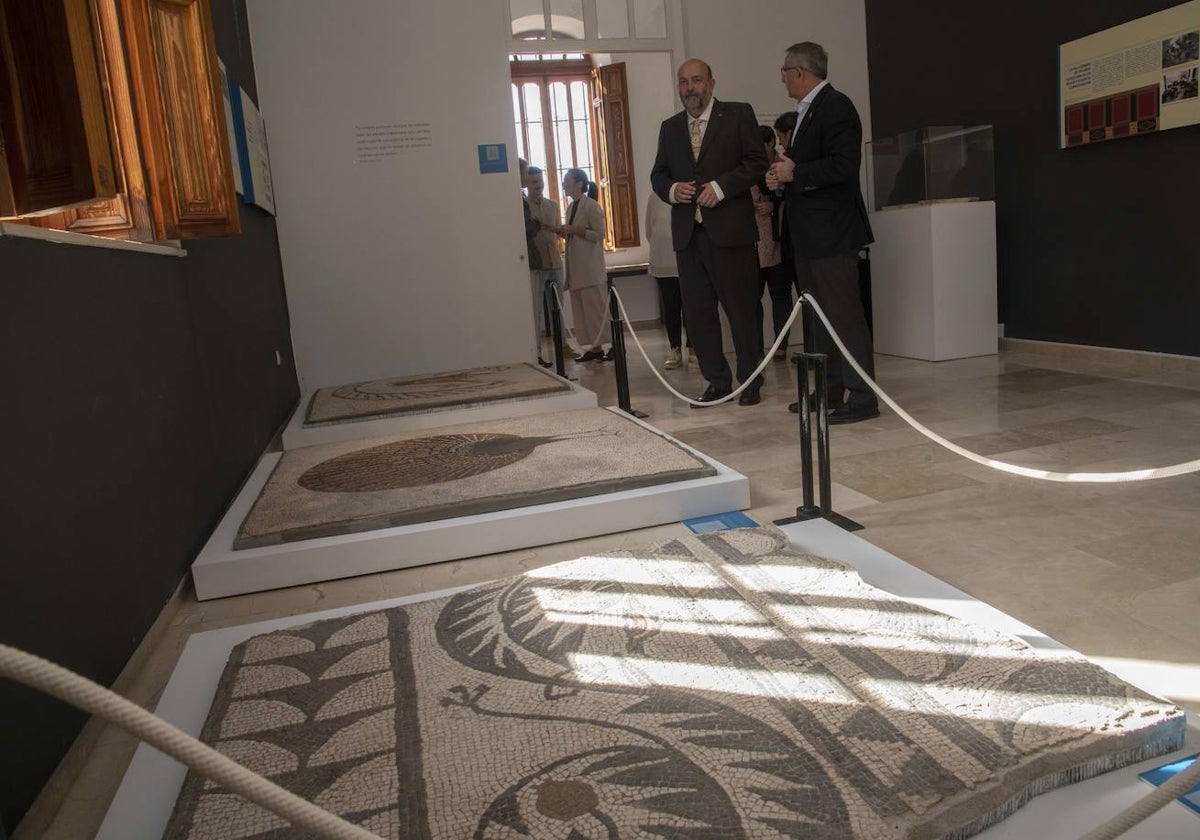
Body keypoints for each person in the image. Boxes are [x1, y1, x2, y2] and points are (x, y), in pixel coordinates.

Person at [767, 42, 879, 424]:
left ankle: (863, 398)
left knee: (844, 316)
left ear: (800, 72)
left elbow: (844, 166)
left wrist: (796, 173)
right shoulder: (808, 111)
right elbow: (812, 167)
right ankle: (830, 392)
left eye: (784, 71)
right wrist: (785, 177)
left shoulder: (837, 106)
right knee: (820, 320)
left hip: (831, 235)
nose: (782, 77)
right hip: (811, 237)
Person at [650, 59, 768, 407]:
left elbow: (756, 163)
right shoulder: (670, 128)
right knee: (699, 316)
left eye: (697, 80)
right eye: (683, 82)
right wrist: (672, 191)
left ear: (711, 84)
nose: (690, 88)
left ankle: (750, 381)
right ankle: (717, 381)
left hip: (731, 234)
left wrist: (721, 186)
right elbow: (658, 175)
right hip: (689, 238)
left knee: (742, 312)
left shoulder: (737, 115)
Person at [554, 169, 609, 362]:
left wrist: (574, 230)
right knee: (583, 312)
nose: (564, 184)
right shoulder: (570, 208)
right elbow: (574, 233)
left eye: (567, 180)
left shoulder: (592, 206)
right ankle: (595, 348)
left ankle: (609, 346)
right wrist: (563, 232)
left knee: (596, 310)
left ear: (579, 183)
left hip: (590, 267)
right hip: (576, 268)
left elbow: (599, 235)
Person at [525, 166, 575, 364]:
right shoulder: (524, 207)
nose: (538, 185)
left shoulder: (553, 206)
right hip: (537, 266)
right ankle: (535, 352)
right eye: (534, 182)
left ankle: (562, 346)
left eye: (540, 181)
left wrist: (560, 230)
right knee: (535, 310)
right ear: (527, 184)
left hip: (555, 263)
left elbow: (560, 234)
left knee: (559, 308)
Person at [754, 125, 794, 361]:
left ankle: (781, 346)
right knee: (752, 300)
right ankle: (756, 347)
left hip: (779, 244)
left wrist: (773, 206)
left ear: (770, 143)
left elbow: (792, 198)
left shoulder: (784, 165)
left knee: (781, 296)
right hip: (754, 244)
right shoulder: (748, 169)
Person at [645, 191, 689, 368]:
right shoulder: (654, 197)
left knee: (691, 307)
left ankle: (693, 349)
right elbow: (649, 231)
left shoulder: (685, 192)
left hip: (685, 261)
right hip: (663, 262)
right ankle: (675, 349)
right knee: (671, 309)